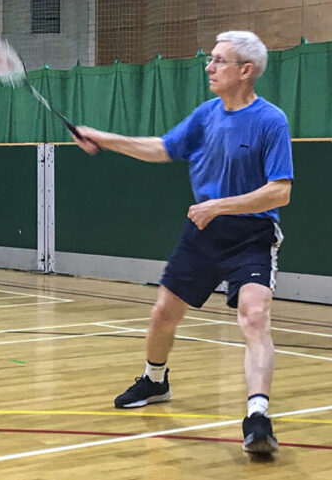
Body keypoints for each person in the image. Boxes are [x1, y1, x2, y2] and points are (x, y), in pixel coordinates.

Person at [72, 31, 292, 454]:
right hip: (204, 232)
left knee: (254, 316)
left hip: (251, 233)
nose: (209, 68)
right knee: (163, 315)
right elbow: (162, 148)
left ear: (245, 71)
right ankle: (155, 382)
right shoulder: (206, 115)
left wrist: (221, 206)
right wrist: (104, 138)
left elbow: (280, 191)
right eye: (210, 60)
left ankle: (258, 415)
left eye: (218, 61)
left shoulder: (271, 121)